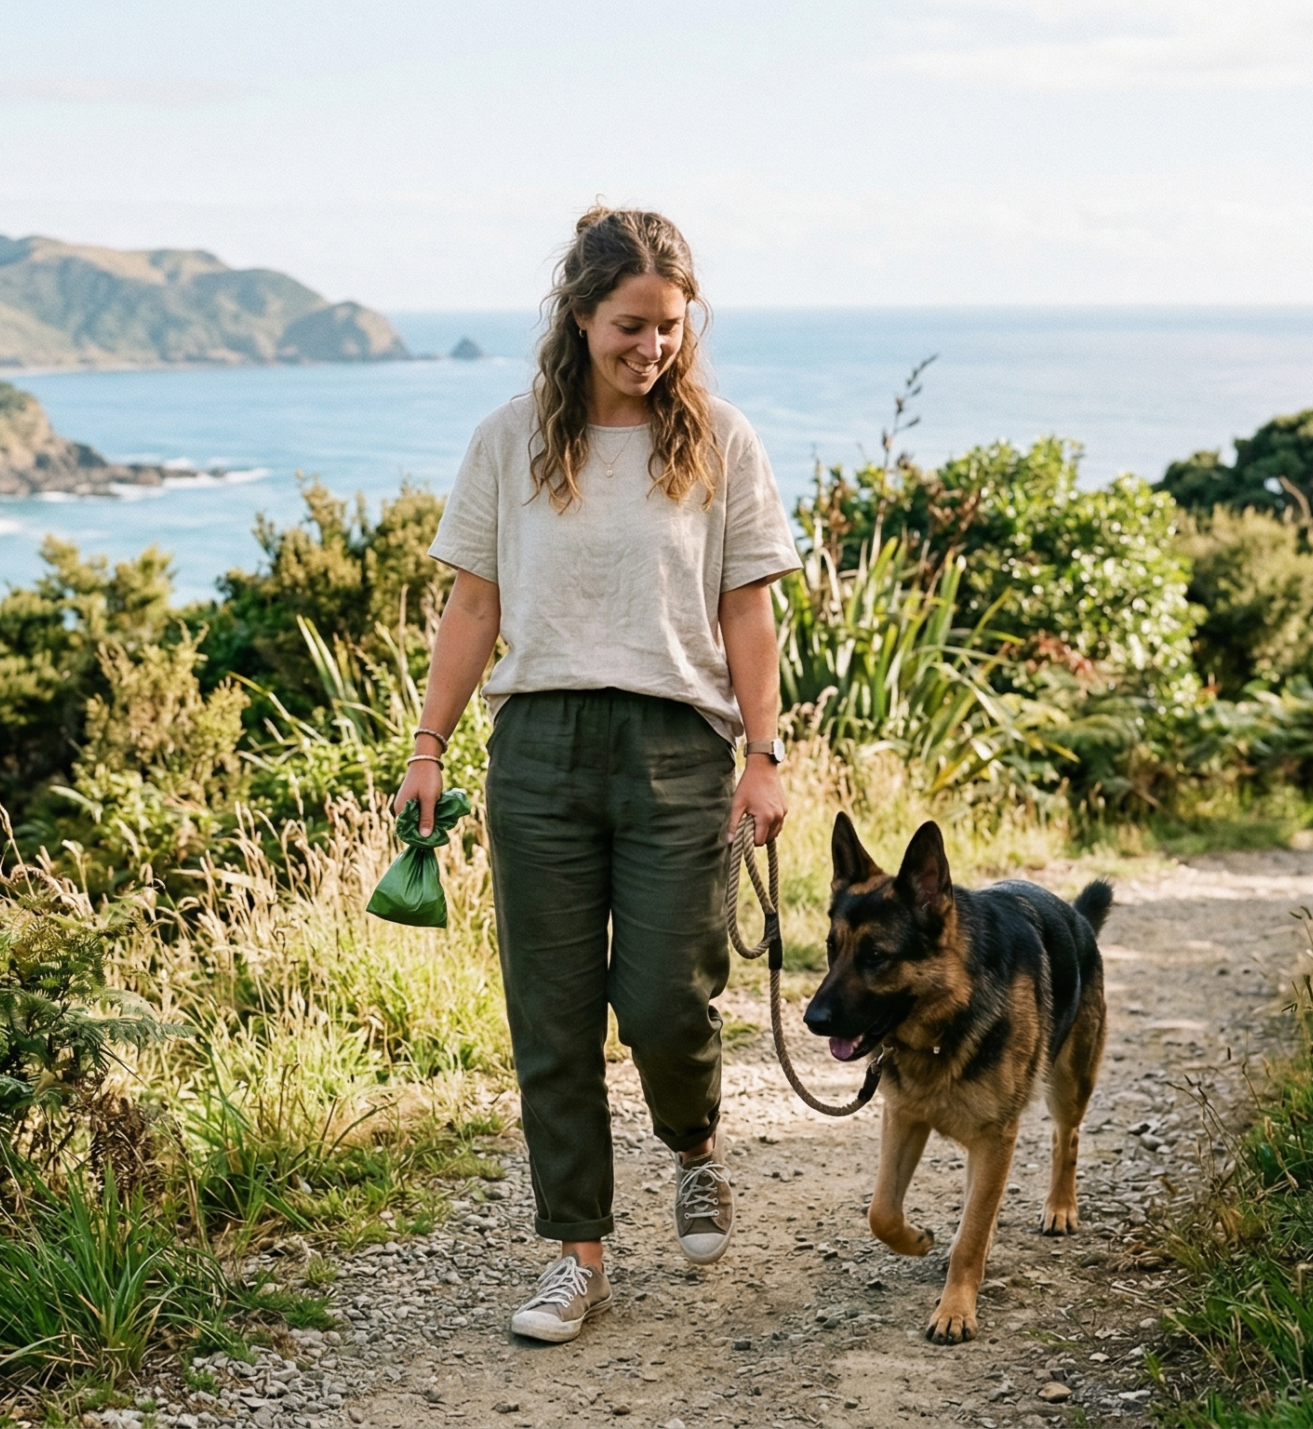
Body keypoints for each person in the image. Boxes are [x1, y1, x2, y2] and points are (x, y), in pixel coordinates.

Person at [393, 207, 798, 1345]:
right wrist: (428, 747)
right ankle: (577, 1253)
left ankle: (697, 1149)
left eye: (670, 327)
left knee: (668, 1000)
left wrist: (762, 755)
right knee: (553, 1018)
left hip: (678, 751)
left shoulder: (719, 439)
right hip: (539, 753)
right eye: (630, 325)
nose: (652, 348)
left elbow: (747, 609)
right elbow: (473, 605)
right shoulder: (508, 439)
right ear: (578, 317)